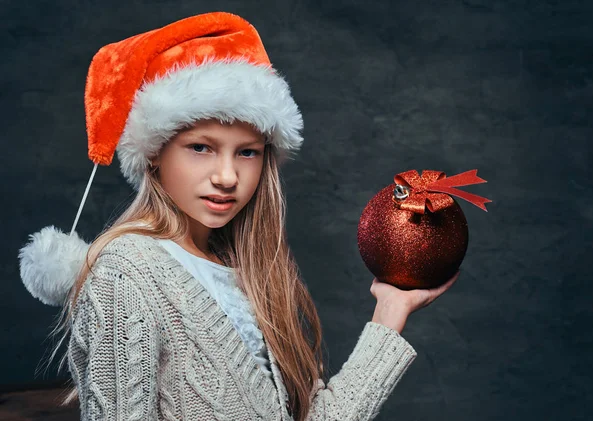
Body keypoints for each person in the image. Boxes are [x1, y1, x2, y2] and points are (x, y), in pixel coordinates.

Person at [18, 12, 459, 421]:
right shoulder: (126, 272)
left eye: (247, 153)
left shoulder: (250, 274)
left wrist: (391, 309)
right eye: (200, 148)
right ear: (153, 155)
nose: (227, 176)